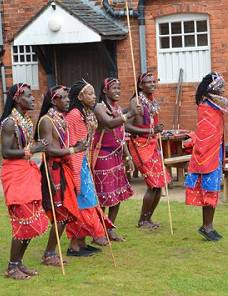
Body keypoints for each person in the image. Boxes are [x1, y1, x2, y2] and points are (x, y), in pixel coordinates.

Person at [36, 85, 94, 263]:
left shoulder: (60, 118)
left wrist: (78, 146)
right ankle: (49, 254)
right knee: (60, 212)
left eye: (68, 97)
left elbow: (61, 145)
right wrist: (73, 149)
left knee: (66, 212)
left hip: (62, 169)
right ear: (54, 100)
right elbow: (51, 150)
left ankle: (51, 252)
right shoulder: (47, 121)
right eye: (64, 97)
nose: (68, 100)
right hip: (53, 170)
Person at [0, 83, 49, 280]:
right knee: (23, 220)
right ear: (17, 99)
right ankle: (12, 267)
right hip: (15, 174)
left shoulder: (25, 120)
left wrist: (36, 147)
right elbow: (6, 152)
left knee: (32, 219)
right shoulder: (10, 123)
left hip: (26, 171)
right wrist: (32, 150)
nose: (33, 98)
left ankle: (18, 263)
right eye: (28, 96)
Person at [184, 72, 228, 241]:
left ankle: (208, 226)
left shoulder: (215, 104)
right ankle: (206, 226)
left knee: (213, 190)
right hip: (207, 154)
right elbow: (206, 133)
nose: (223, 90)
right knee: (209, 190)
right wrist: (206, 153)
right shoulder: (206, 106)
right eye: (220, 87)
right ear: (213, 88)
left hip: (215, 152)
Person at [65, 79, 114, 254]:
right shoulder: (74, 115)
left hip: (84, 161)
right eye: (89, 93)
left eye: (94, 93)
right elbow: (73, 142)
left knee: (88, 200)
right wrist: (77, 169)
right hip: (76, 163)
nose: (93, 97)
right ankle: (74, 245)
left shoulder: (86, 112)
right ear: (79, 96)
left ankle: (81, 242)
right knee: (83, 200)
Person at [126, 72, 171, 229]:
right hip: (140, 145)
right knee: (153, 184)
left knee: (159, 183)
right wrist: (150, 131)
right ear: (140, 85)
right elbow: (126, 126)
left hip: (153, 145)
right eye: (148, 82)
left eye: (154, 81)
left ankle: (148, 218)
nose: (153, 84)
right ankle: (142, 220)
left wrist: (156, 130)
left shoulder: (151, 102)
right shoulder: (136, 102)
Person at [93, 78, 136, 241]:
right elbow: (109, 123)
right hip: (103, 156)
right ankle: (98, 231)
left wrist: (128, 155)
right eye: (114, 88)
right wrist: (129, 114)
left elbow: (122, 135)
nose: (118, 91)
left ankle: (110, 228)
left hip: (117, 156)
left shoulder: (117, 107)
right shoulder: (99, 107)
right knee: (103, 195)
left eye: (119, 88)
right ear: (105, 91)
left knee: (117, 194)